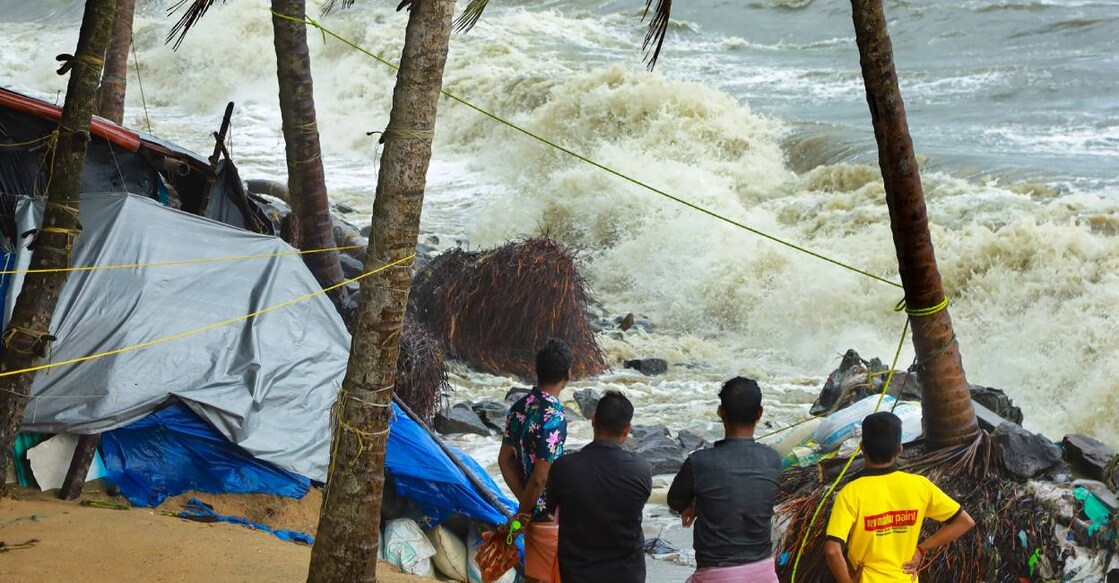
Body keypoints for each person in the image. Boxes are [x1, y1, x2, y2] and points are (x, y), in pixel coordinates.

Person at [824, 411, 976, 583]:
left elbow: (832, 550)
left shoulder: (851, 492)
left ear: (862, 447)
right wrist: (921, 549)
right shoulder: (920, 485)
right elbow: (965, 521)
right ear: (899, 450)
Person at [667, 376, 782, 583]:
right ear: (760, 413)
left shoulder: (699, 462)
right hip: (764, 573)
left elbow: (675, 500)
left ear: (721, 411)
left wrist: (694, 504)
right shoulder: (773, 460)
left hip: (716, 575)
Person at [546, 391, 652, 583]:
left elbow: (551, 511)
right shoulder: (640, 470)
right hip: (627, 574)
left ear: (593, 420)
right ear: (627, 429)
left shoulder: (563, 467)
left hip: (577, 575)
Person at [498, 338, 572, 583]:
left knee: (534, 576)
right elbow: (541, 477)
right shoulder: (554, 417)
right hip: (548, 515)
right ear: (568, 375)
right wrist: (527, 510)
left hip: (530, 510)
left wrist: (523, 506)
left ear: (537, 370)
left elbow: (504, 460)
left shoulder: (519, 407)